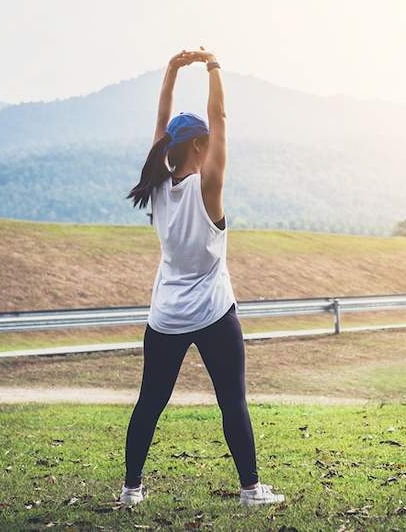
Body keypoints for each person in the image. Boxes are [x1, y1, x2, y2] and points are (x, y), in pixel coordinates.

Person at [119, 47, 285, 508]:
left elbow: (160, 128)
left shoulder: (157, 188)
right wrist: (213, 66)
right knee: (232, 400)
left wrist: (171, 71)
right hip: (213, 312)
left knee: (149, 403)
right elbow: (222, 115)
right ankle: (251, 491)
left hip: (166, 316)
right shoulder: (208, 188)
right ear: (198, 146)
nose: (215, 142)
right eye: (207, 139)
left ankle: (131, 490)